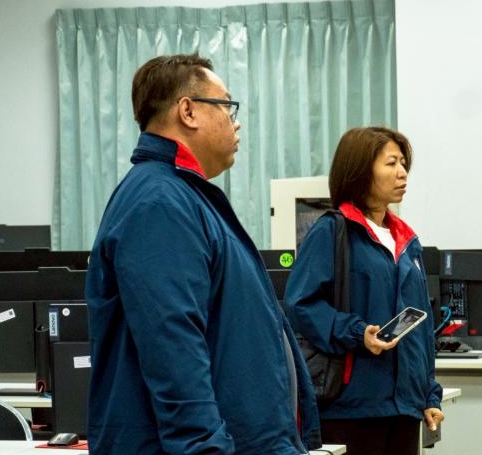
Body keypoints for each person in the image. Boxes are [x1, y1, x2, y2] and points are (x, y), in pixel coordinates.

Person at [86, 54, 320, 454]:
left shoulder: (183, 195)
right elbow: (173, 345)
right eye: (227, 106)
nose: (235, 122)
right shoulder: (160, 202)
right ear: (188, 111)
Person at [285, 127, 444, 455]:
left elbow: (421, 326)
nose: (402, 172)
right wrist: (358, 333)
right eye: (391, 163)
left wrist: (429, 394)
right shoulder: (332, 231)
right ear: (360, 170)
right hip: (353, 407)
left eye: (403, 164)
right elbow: (301, 305)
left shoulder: (407, 241)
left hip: (404, 408)